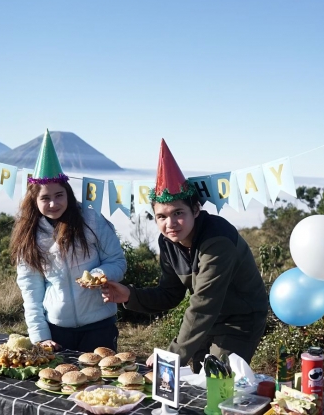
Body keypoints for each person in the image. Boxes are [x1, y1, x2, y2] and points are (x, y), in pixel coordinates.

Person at [102, 139, 269, 372]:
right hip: (206, 322)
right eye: (161, 216)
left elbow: (204, 302)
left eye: (178, 213)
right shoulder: (169, 242)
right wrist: (130, 295)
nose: (170, 223)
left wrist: (171, 356)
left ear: (196, 210)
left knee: (218, 383)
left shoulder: (218, 240)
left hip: (240, 320)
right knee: (199, 378)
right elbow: (169, 294)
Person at [11, 129, 127, 353]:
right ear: (34, 200)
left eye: (59, 196)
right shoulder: (29, 236)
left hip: (100, 326)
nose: (53, 204)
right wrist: (40, 337)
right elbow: (31, 291)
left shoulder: (91, 220)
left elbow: (117, 262)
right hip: (56, 331)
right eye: (45, 198)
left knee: (100, 385)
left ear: (68, 194)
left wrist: (98, 275)